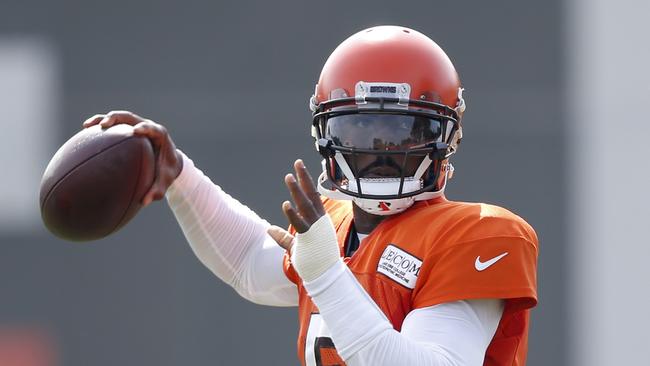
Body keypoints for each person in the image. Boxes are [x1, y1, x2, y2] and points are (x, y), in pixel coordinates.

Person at [83, 25, 538, 366]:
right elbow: (247, 261)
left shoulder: (479, 234)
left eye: (403, 132)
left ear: (445, 136)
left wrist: (323, 271)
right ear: (326, 134)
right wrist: (180, 177)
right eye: (359, 129)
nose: (380, 151)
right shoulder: (333, 229)